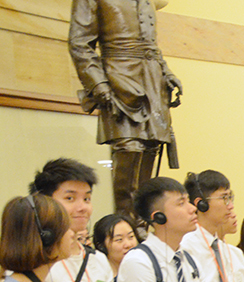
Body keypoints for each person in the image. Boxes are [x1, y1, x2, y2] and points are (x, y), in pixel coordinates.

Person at [68, 0, 182, 215]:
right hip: (119, 82)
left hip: (153, 85)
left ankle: (141, 223)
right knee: (128, 149)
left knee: (150, 150)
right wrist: (98, 83)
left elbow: (151, 46)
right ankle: (124, 225)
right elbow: (79, 43)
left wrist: (167, 74)